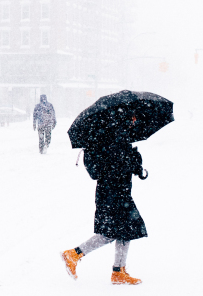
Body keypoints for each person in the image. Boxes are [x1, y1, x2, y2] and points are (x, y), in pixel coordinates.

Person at [61, 122, 148, 285]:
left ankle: (118, 271)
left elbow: (121, 164)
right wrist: (132, 160)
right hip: (113, 194)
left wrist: (136, 165)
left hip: (116, 193)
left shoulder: (115, 136)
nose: (136, 120)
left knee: (125, 230)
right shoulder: (114, 138)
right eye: (134, 117)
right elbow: (116, 166)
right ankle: (74, 254)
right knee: (111, 232)